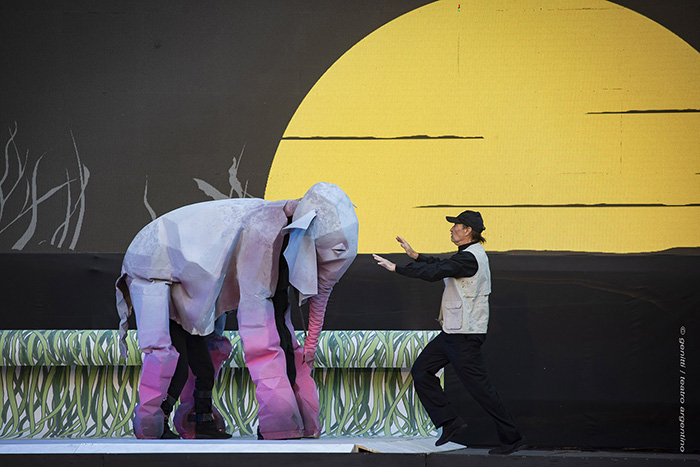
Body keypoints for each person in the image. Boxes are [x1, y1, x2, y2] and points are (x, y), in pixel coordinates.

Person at [373, 210, 526, 455]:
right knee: (422, 371)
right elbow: (441, 265)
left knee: (481, 390)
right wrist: (416, 255)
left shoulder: (470, 258)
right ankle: (449, 422)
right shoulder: (465, 256)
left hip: (464, 335)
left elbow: (435, 272)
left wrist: (397, 268)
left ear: (468, 231)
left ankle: (512, 437)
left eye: (457, 225)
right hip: (453, 332)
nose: (452, 229)